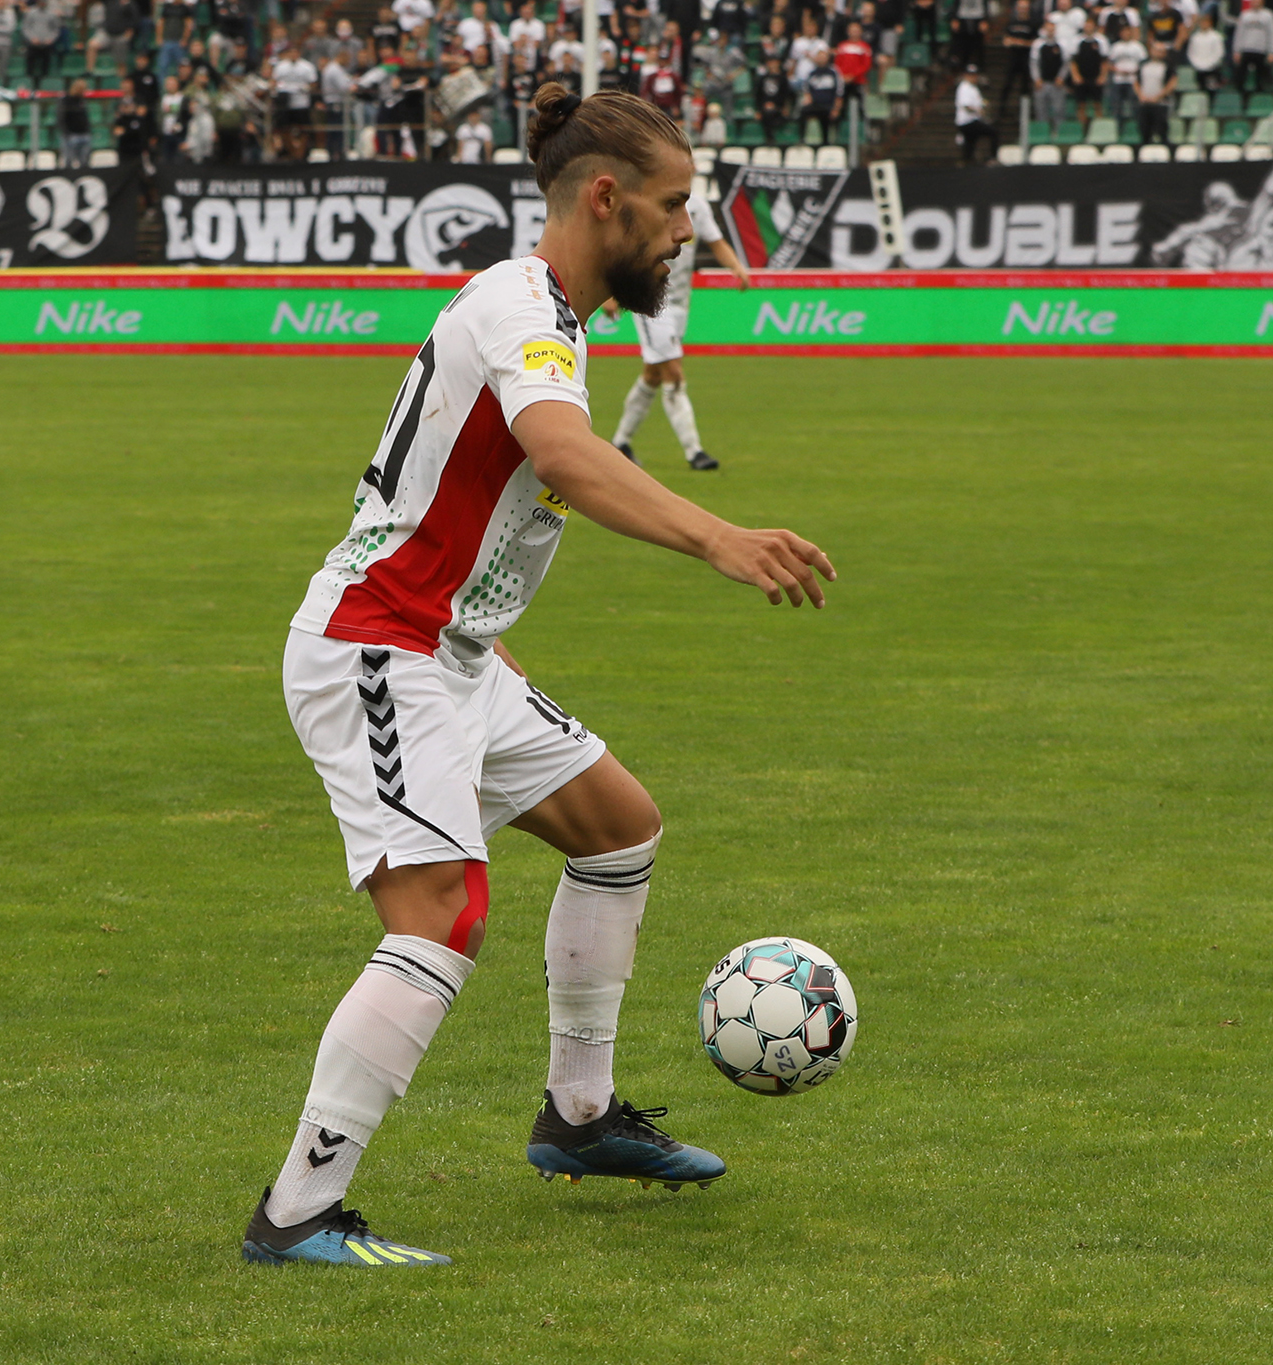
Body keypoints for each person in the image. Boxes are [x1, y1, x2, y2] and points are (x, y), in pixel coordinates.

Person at [238, 83, 834, 1269]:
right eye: (674, 204)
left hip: (451, 652)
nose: (686, 231)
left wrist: (482, 632)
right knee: (441, 914)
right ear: (604, 198)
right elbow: (564, 452)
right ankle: (297, 1211)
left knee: (618, 827)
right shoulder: (518, 307)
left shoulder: (552, 314)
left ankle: (578, 1117)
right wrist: (719, 538)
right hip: (378, 645)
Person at [608, 188, 752, 468]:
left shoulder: (698, 205)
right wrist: (613, 293)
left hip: (680, 303)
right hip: (651, 301)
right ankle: (694, 452)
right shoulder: (648, 200)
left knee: (653, 375)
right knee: (673, 372)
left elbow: (716, 242)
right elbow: (624, 248)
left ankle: (620, 443)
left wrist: (736, 267)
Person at [1231, 0, 1273, 92]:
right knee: (1241, 76)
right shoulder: (1244, 15)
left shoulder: (1269, 15)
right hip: (1246, 49)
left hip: (1261, 49)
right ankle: (1241, 94)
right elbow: (1239, 33)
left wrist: (1272, 51)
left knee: (1261, 78)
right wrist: (1236, 50)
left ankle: (1259, 94)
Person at [1135, 38, 1176, 142]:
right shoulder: (1143, 65)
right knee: (1144, 132)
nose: (1159, 53)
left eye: (1161, 51)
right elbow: (1136, 82)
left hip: (1161, 104)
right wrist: (1141, 96)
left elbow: (1172, 83)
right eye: (1157, 50)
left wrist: (1158, 97)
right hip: (1145, 103)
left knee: (1162, 131)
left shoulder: (1168, 66)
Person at [800, 45, 844, 139]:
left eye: (823, 57)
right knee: (803, 111)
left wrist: (836, 109)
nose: (821, 59)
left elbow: (839, 92)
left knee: (828, 119)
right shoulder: (811, 72)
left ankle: (827, 141)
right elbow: (806, 90)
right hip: (815, 104)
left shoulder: (834, 72)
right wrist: (808, 100)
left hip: (829, 105)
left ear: (828, 58)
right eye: (819, 57)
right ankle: (801, 139)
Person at [1000, 0, 1038, 107]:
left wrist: (1019, 42)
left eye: (1025, 7)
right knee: (1007, 84)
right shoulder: (1011, 23)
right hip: (1013, 57)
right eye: (1021, 7)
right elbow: (1006, 41)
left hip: (1026, 58)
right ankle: (1002, 109)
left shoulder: (1032, 24)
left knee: (1025, 86)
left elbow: (1035, 43)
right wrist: (1019, 42)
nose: (1022, 10)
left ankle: (1024, 110)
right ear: (1017, 8)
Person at [953, 63, 994, 162]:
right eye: (971, 75)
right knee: (993, 132)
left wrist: (984, 106)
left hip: (971, 121)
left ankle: (966, 162)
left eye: (975, 74)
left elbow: (980, 103)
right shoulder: (964, 87)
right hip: (967, 121)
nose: (973, 77)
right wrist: (979, 110)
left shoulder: (973, 88)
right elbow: (966, 106)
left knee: (970, 144)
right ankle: (992, 157)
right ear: (965, 75)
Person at [1032, 19, 1069, 122]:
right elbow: (1034, 63)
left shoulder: (1062, 44)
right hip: (1042, 83)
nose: (1050, 32)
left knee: (1059, 110)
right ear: (1044, 30)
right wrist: (1037, 79)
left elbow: (1066, 63)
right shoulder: (1038, 44)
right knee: (1040, 111)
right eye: (1048, 29)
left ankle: (1058, 130)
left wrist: (1061, 77)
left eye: (1052, 30)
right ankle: (1042, 130)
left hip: (1057, 83)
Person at [1184, 11, 1225, 90]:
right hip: (1198, 68)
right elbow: (1190, 53)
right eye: (1202, 22)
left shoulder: (1216, 37)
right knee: (1200, 88)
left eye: (1206, 22)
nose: (1204, 24)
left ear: (1210, 23)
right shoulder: (1195, 37)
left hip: (1212, 68)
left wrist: (1209, 64)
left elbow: (1219, 53)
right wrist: (1197, 64)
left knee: (1212, 88)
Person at [756, 52, 791, 141]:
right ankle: (769, 138)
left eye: (774, 62)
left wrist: (778, 105)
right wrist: (759, 109)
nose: (772, 64)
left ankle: (773, 138)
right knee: (767, 114)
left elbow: (786, 95)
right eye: (770, 62)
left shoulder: (783, 79)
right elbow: (759, 95)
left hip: (779, 108)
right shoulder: (763, 78)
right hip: (765, 107)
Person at [61, 77, 95, 164]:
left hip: (84, 134)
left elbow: (85, 117)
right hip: (71, 135)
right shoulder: (66, 100)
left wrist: (87, 130)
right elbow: (61, 118)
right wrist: (66, 133)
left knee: (84, 161)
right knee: (69, 161)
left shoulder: (82, 100)